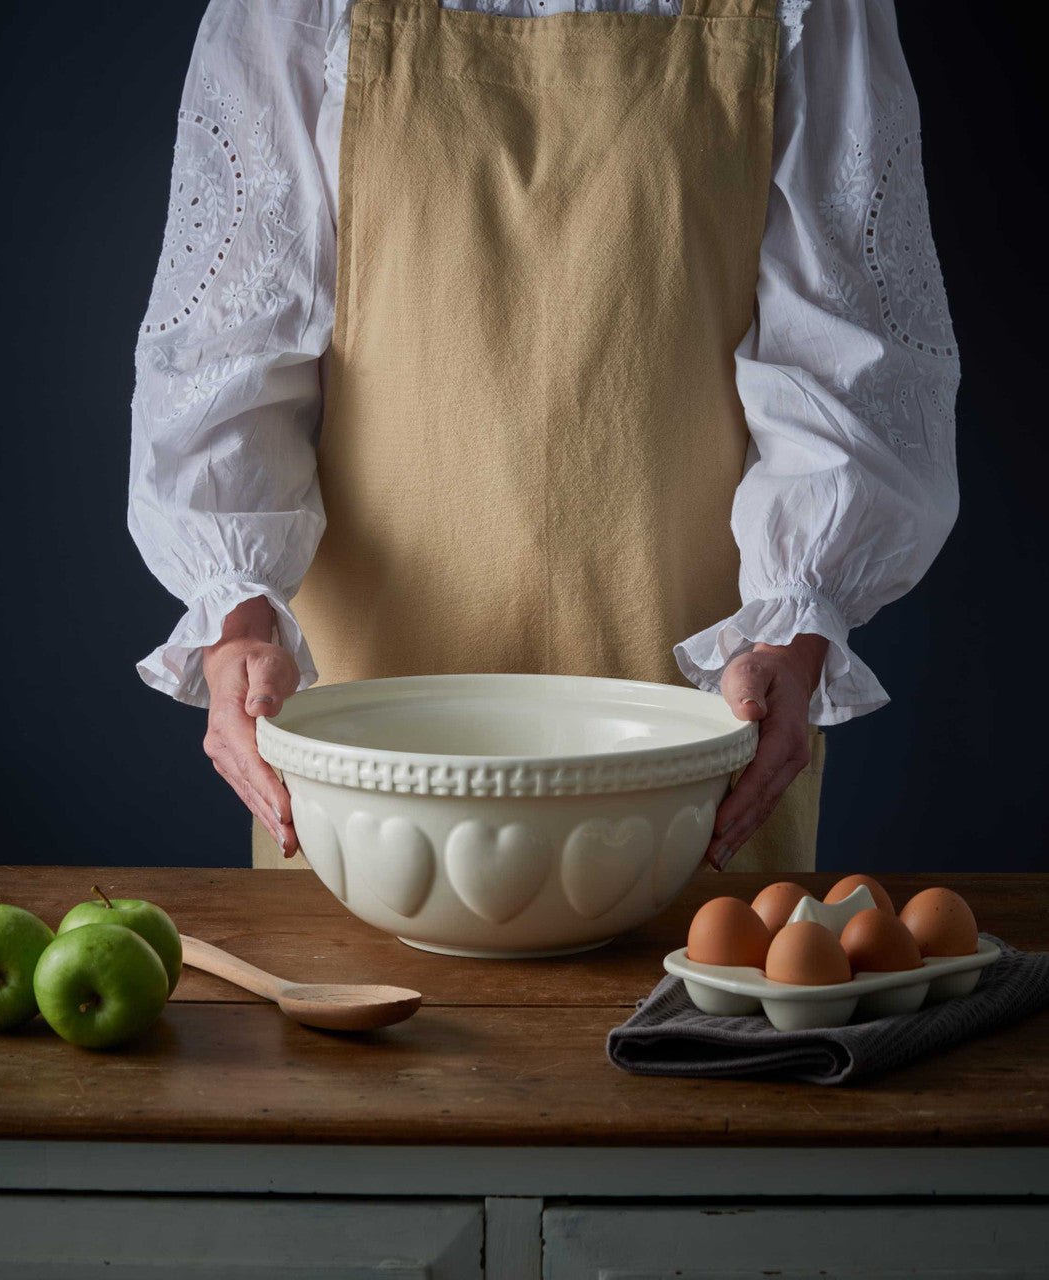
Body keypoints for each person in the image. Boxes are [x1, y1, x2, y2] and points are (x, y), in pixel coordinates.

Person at [128, 0, 959, 875]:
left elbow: (846, 359)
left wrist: (793, 642)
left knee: (688, 998)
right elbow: (228, 351)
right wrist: (237, 622)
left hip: (695, 741)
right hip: (364, 759)